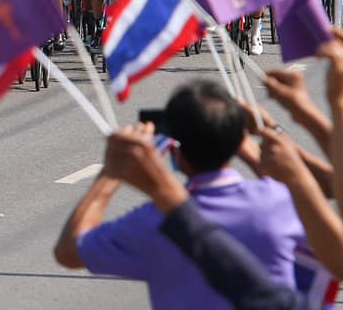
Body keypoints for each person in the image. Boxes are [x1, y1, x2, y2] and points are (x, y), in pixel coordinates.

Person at [54, 80, 307, 309]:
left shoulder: (155, 221)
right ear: (238, 140)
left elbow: (69, 251)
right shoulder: (279, 201)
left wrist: (111, 171)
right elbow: (313, 194)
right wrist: (250, 145)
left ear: (176, 150)